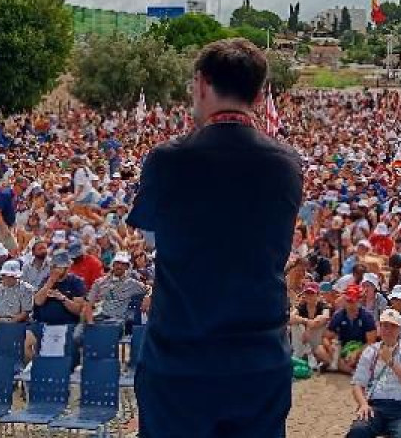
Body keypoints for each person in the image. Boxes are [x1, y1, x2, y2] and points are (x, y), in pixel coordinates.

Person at [127, 39, 303, 438]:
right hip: (258, 362)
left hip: (179, 362)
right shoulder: (286, 165)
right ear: (259, 95)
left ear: (201, 84)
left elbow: (149, 231)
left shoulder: (167, 160)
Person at [348, 309, 401, 438]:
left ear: (399, 329)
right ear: (379, 327)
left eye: (393, 326)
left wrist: (391, 362)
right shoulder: (371, 351)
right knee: (358, 431)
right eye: (384, 326)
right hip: (376, 406)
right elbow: (358, 384)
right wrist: (363, 404)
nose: (388, 330)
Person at [318, 284, 378, 374]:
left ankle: (337, 365)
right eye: (348, 300)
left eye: (352, 300)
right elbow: (326, 337)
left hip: (360, 348)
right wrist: (329, 347)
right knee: (319, 350)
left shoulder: (367, 316)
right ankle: (349, 370)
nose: (350, 303)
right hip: (342, 349)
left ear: (359, 300)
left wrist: (357, 352)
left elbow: (371, 342)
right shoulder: (338, 315)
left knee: (371, 354)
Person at [83, 251, 148, 327]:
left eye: (123, 264)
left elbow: (149, 289)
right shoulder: (99, 282)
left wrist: (147, 297)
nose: (119, 266)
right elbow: (88, 303)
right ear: (113, 264)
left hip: (119, 322)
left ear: (127, 267)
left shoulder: (132, 283)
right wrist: (90, 323)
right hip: (98, 320)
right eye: (117, 263)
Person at [0, 261, 35, 356]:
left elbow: (25, 312)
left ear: (16, 277)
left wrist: (9, 324)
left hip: (19, 322)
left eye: (10, 276)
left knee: (22, 334)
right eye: (5, 275)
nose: (7, 278)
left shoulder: (27, 289)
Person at [290, 282, 332, 367]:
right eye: (307, 293)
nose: (309, 295)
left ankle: (311, 355)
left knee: (320, 323)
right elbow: (290, 317)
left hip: (317, 339)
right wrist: (306, 321)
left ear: (317, 294)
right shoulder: (302, 306)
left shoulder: (323, 305)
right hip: (305, 339)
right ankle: (300, 353)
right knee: (295, 325)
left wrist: (309, 328)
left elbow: (325, 317)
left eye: (312, 293)